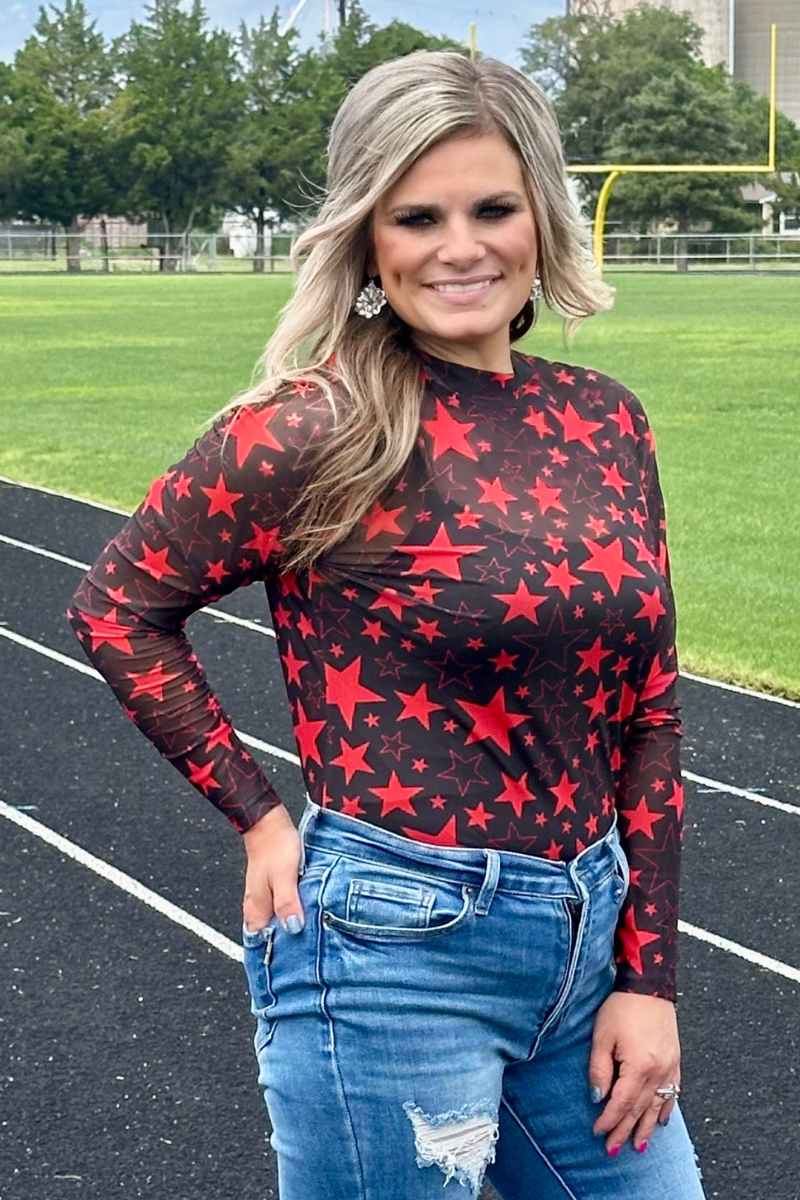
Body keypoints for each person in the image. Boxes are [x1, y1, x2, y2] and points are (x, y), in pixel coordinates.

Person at [68, 50, 707, 1200]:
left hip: (587, 942)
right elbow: (118, 608)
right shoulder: (311, 428)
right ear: (367, 238)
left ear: (540, 216)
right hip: (391, 954)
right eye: (417, 217)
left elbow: (649, 713)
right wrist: (260, 817)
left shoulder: (606, 420)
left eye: (491, 209)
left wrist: (645, 977)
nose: (460, 247)